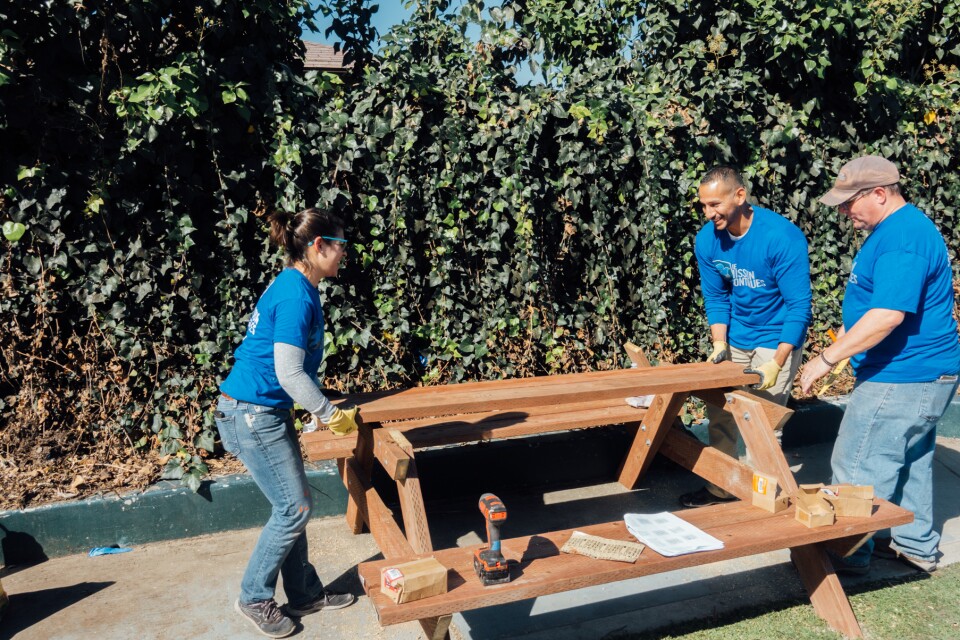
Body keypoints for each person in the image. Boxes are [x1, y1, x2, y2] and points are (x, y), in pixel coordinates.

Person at [800, 156, 960, 575]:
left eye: (849, 202)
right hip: (921, 373)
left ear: (879, 193)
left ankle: (841, 563)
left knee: (858, 466)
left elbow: (888, 315)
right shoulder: (899, 230)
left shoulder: (902, 238)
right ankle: (915, 545)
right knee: (909, 461)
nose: (842, 211)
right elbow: (872, 306)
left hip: (902, 375)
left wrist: (825, 359)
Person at [215, 207, 359, 638]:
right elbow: (289, 373)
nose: (344, 255)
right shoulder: (296, 295)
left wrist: (311, 408)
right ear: (318, 246)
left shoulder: (299, 286)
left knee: (291, 505)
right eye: (342, 246)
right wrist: (328, 414)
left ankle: (304, 594)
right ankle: (254, 596)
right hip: (251, 415)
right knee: (293, 508)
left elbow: (293, 374)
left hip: (262, 412)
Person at [680, 166, 812, 508]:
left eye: (714, 205)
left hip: (776, 339)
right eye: (703, 206)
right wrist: (719, 343)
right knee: (722, 413)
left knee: (763, 426)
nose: (708, 214)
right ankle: (720, 488)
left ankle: (759, 497)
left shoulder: (781, 237)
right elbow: (716, 296)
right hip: (737, 337)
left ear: (740, 196)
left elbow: (798, 305)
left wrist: (778, 362)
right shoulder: (708, 239)